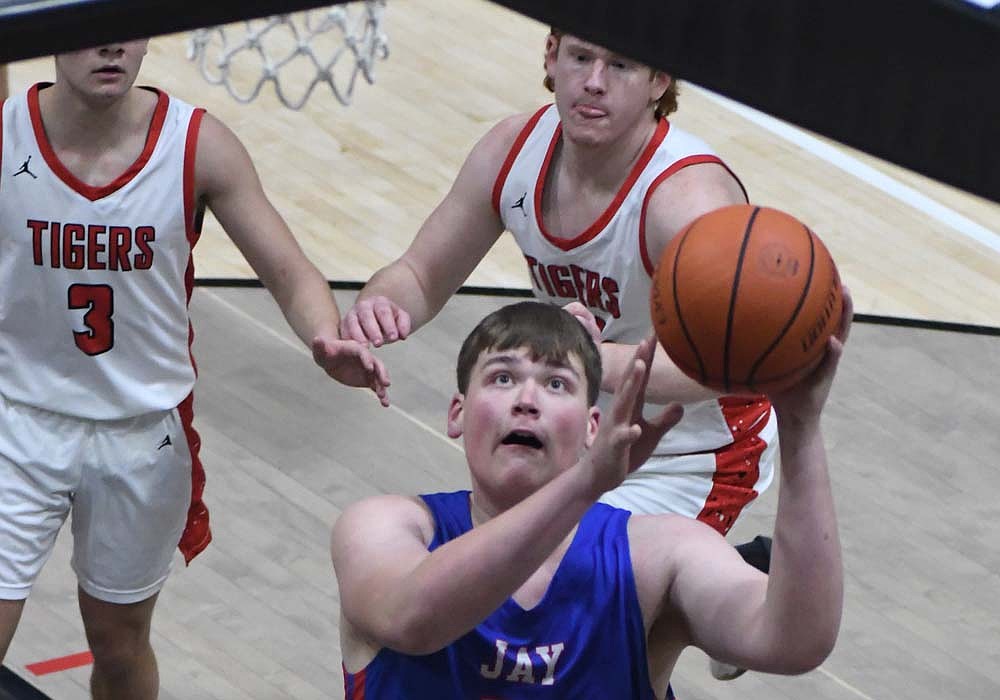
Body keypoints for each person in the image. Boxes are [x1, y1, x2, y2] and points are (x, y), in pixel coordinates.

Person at [0, 41, 388, 699]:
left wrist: (326, 337)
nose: (113, 42)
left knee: (119, 646)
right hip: (17, 422)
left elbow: (291, 273)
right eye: (92, 21)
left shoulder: (198, 144)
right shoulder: (8, 132)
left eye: (130, 21)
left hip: (142, 435)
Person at [340, 29, 778, 537]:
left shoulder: (687, 200)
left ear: (659, 80)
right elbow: (418, 273)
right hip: (576, 432)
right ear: (552, 57)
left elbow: (732, 365)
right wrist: (376, 310)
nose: (593, 82)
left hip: (691, 452)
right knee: (493, 578)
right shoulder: (512, 150)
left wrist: (590, 358)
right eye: (581, 57)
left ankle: (730, 589)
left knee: (558, 577)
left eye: (620, 66)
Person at [332, 298, 849, 698]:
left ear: (591, 428)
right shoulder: (384, 527)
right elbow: (413, 620)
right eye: (503, 377)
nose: (527, 401)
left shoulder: (657, 557)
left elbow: (794, 642)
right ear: (457, 413)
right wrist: (583, 485)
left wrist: (800, 425)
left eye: (556, 384)